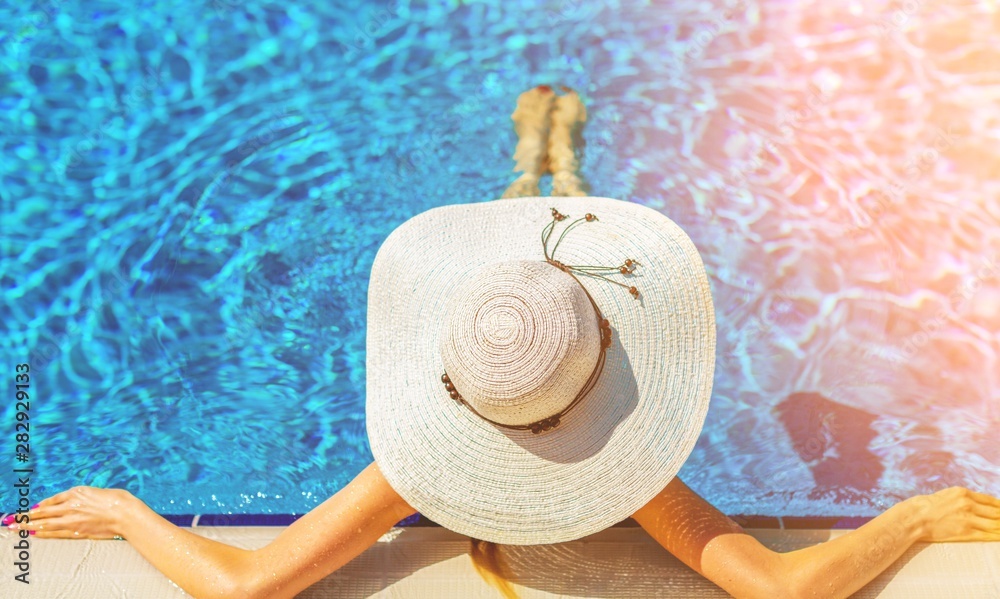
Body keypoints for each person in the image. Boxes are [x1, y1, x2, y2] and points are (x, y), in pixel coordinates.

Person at [7, 87, 1000, 599]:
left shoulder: (407, 472)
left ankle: (537, 162)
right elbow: (779, 585)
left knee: (519, 297)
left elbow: (249, 582)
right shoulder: (634, 472)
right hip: (555, 329)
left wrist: (125, 506)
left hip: (511, 334)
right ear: (618, 362)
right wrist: (911, 517)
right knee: (547, 270)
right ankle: (551, 165)